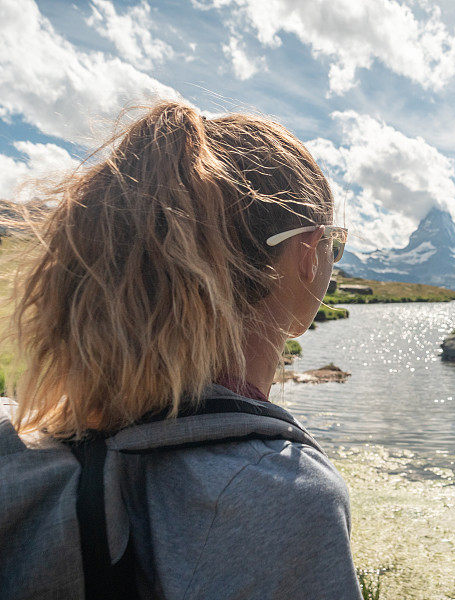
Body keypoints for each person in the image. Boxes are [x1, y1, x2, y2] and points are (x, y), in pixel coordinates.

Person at [4, 101, 361, 599]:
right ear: (306, 252)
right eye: (334, 247)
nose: (332, 265)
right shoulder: (287, 495)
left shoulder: (17, 439)